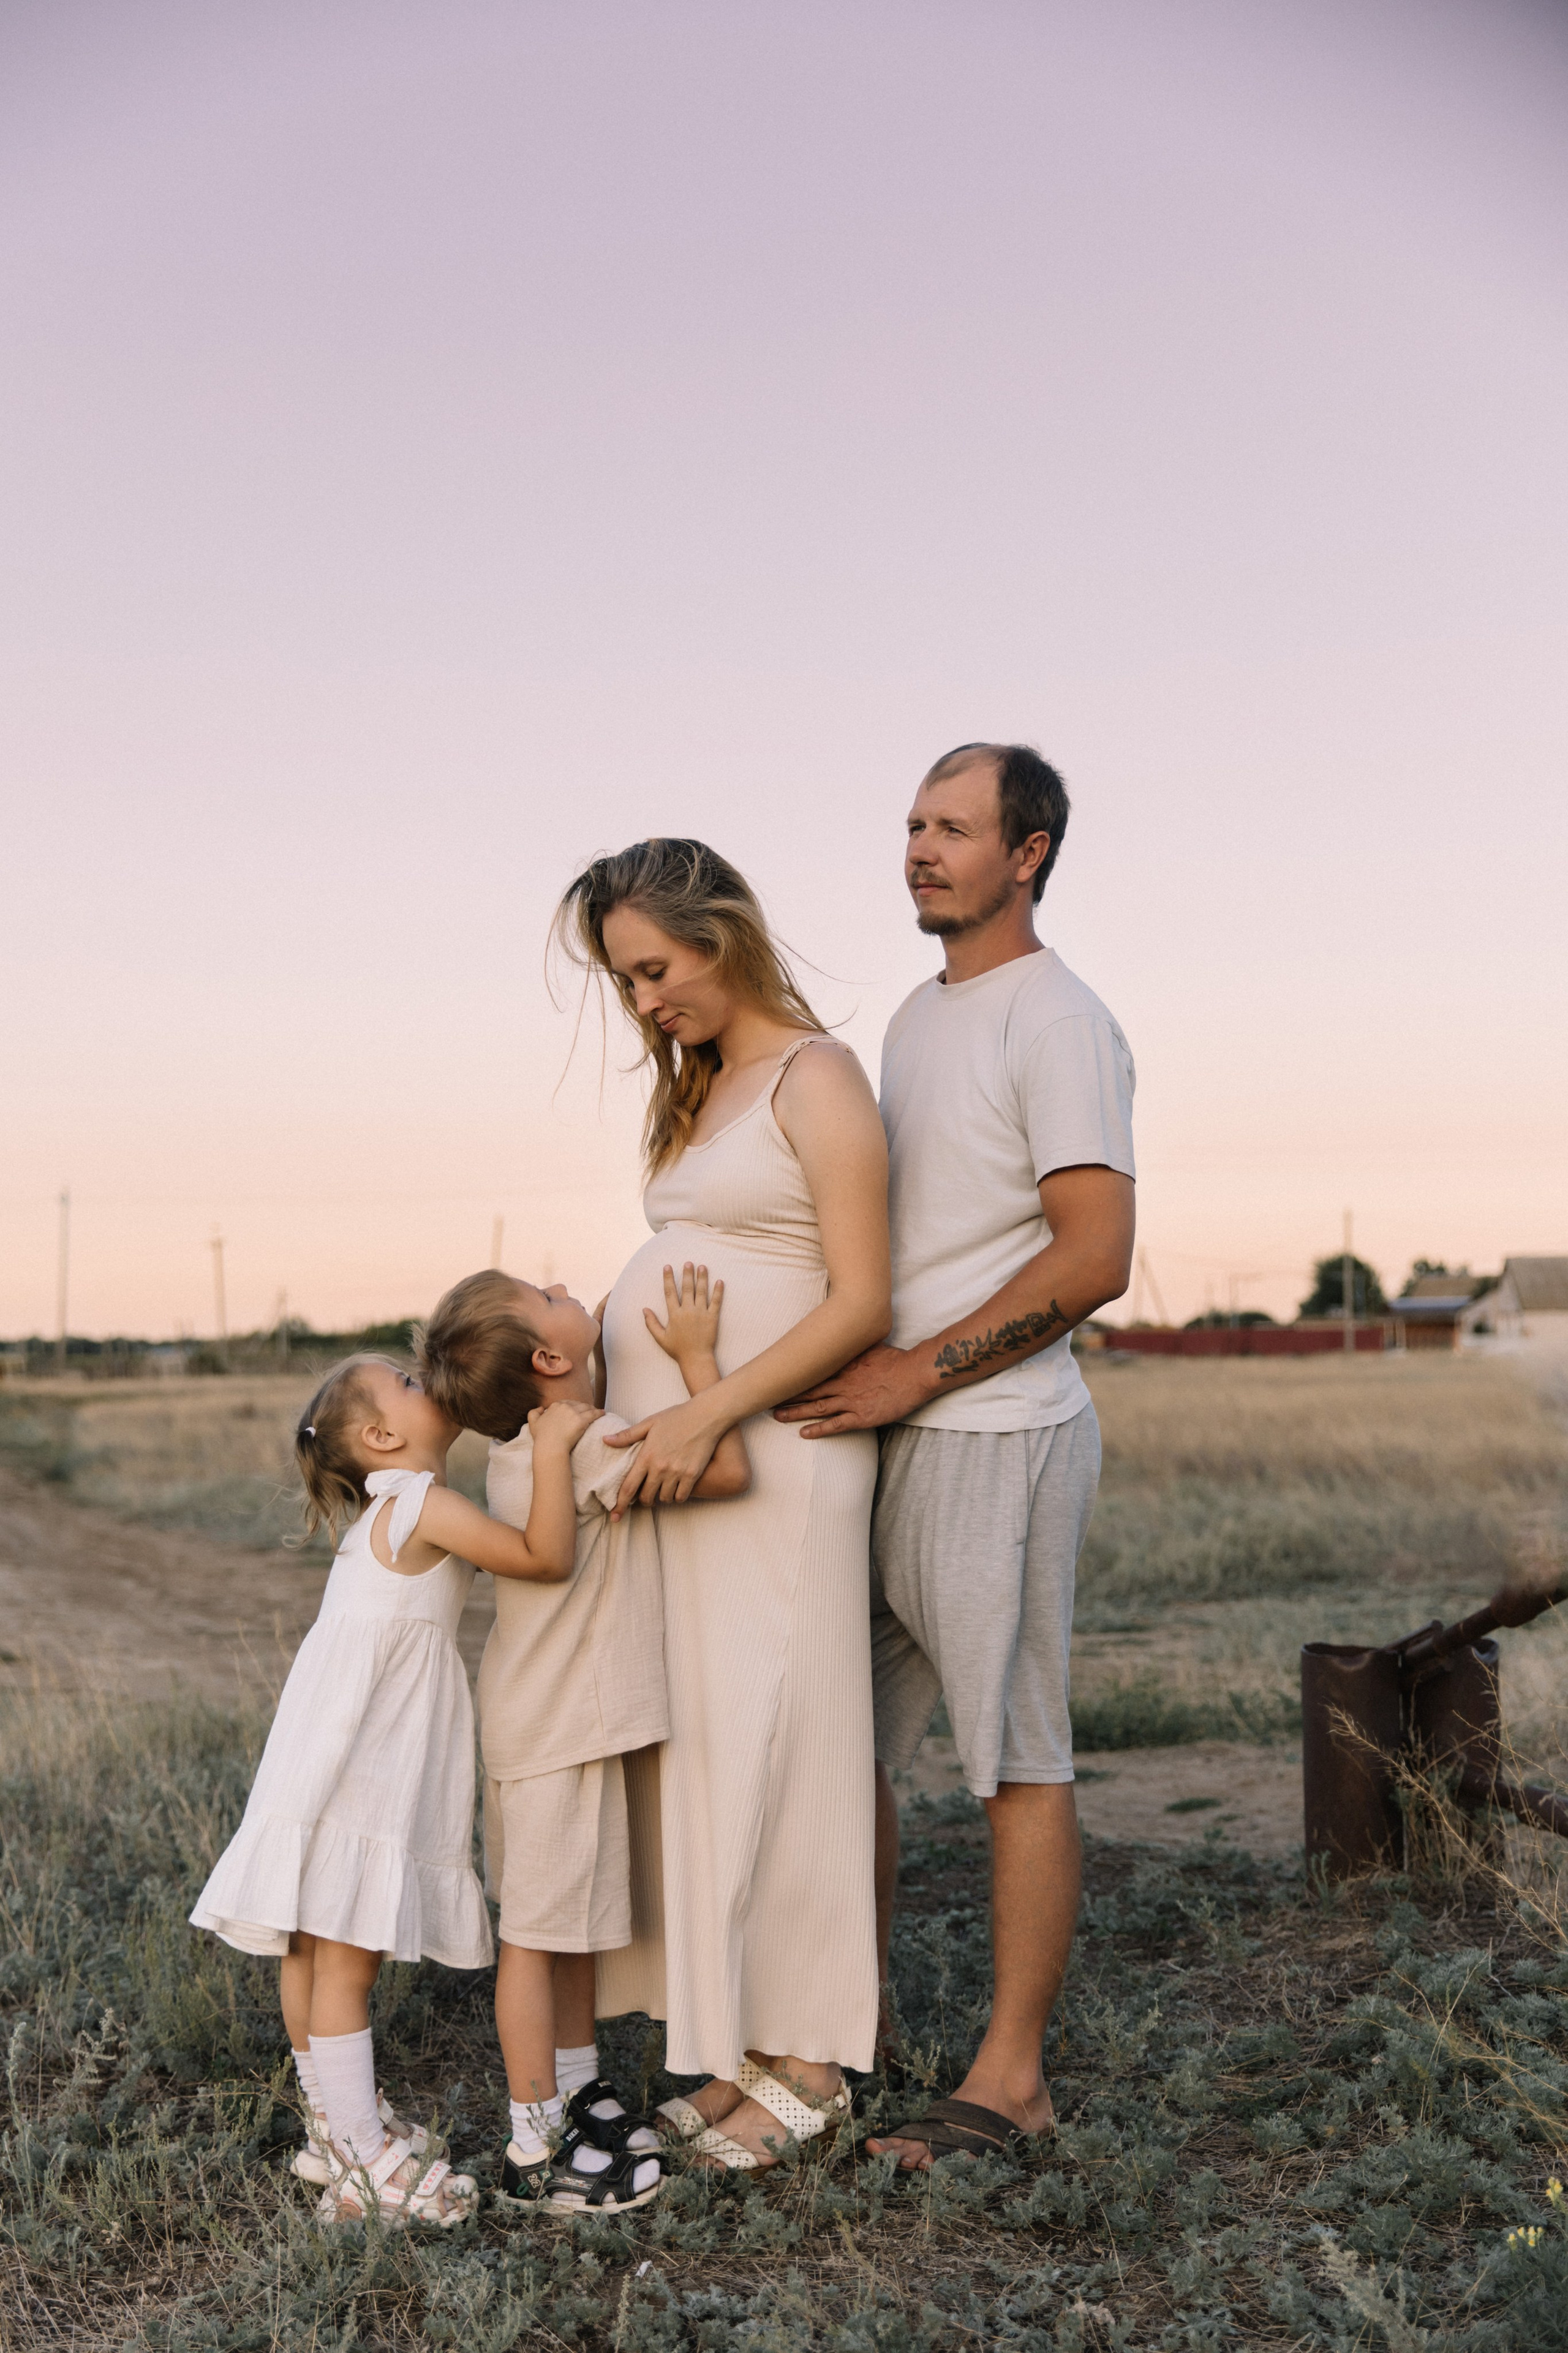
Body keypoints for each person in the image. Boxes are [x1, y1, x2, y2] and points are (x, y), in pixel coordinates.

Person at [777, 743, 1136, 2169]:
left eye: (952, 827)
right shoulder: (920, 1019)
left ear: (1028, 850)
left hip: (996, 1439)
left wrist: (912, 1375)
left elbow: (1097, 1254)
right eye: (912, 825)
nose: (919, 849)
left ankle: (1009, 2083)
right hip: (890, 1437)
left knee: (1015, 1762)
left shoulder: (1056, 1019)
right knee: (833, 1747)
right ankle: (826, 2036)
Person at [552, 837, 891, 2170]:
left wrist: (704, 1406)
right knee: (714, 1736)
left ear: (722, 935)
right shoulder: (701, 1084)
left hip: (777, 1458)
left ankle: (814, 2057)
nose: (642, 1001)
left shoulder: (820, 1075)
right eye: (623, 980)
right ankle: (746, 2036)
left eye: (651, 968)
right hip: (693, 1463)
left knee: (794, 1730)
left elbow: (860, 1299)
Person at [189, 1352, 595, 2226]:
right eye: (407, 1381)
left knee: (310, 1945)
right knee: (343, 1956)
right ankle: (366, 2153)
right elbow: (544, 1556)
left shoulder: (383, 1511)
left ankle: (330, 2130)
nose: (426, 1377)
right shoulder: (423, 1503)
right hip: (369, 1751)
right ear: (381, 1436)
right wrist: (556, 1444)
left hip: (326, 1743)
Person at [417, 1261, 750, 2210]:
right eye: (548, 1290)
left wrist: (590, 1327)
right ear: (549, 1356)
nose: (567, 1280)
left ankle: (574, 2088)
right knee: (536, 1935)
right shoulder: (592, 1441)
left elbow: (575, 1347)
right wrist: (697, 1358)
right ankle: (535, 2145)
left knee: (561, 1929)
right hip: (560, 1726)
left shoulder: (534, 1439)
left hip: (547, 1717)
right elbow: (724, 1467)